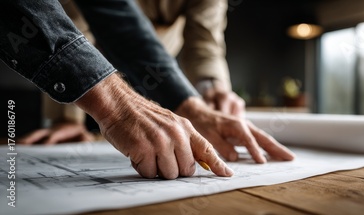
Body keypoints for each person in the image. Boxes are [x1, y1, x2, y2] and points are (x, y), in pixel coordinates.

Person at [0, 0, 294, 179]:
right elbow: (73, 20)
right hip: (77, 80)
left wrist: (199, 100)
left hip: (161, 86)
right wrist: (76, 114)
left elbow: (203, 40)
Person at [20, 0, 245, 144]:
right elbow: (71, 27)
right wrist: (67, 118)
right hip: (85, 84)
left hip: (161, 87)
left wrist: (211, 90)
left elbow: (204, 43)